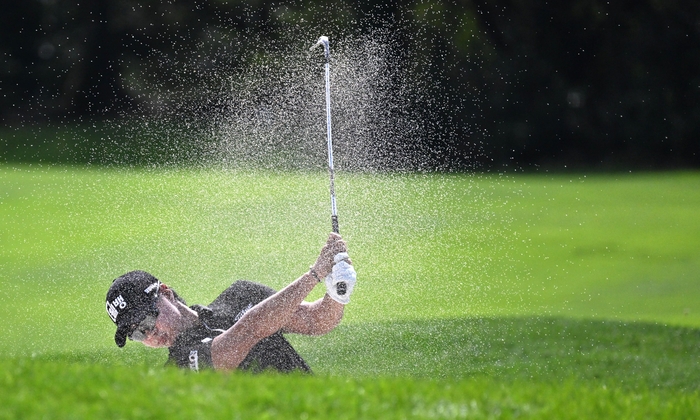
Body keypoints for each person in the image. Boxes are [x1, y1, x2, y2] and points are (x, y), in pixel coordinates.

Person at [105, 233, 356, 372]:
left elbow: (315, 321)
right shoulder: (179, 370)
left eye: (148, 320)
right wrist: (313, 275)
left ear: (165, 293)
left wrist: (337, 293)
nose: (151, 334)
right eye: (138, 334)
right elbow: (246, 332)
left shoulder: (241, 295)